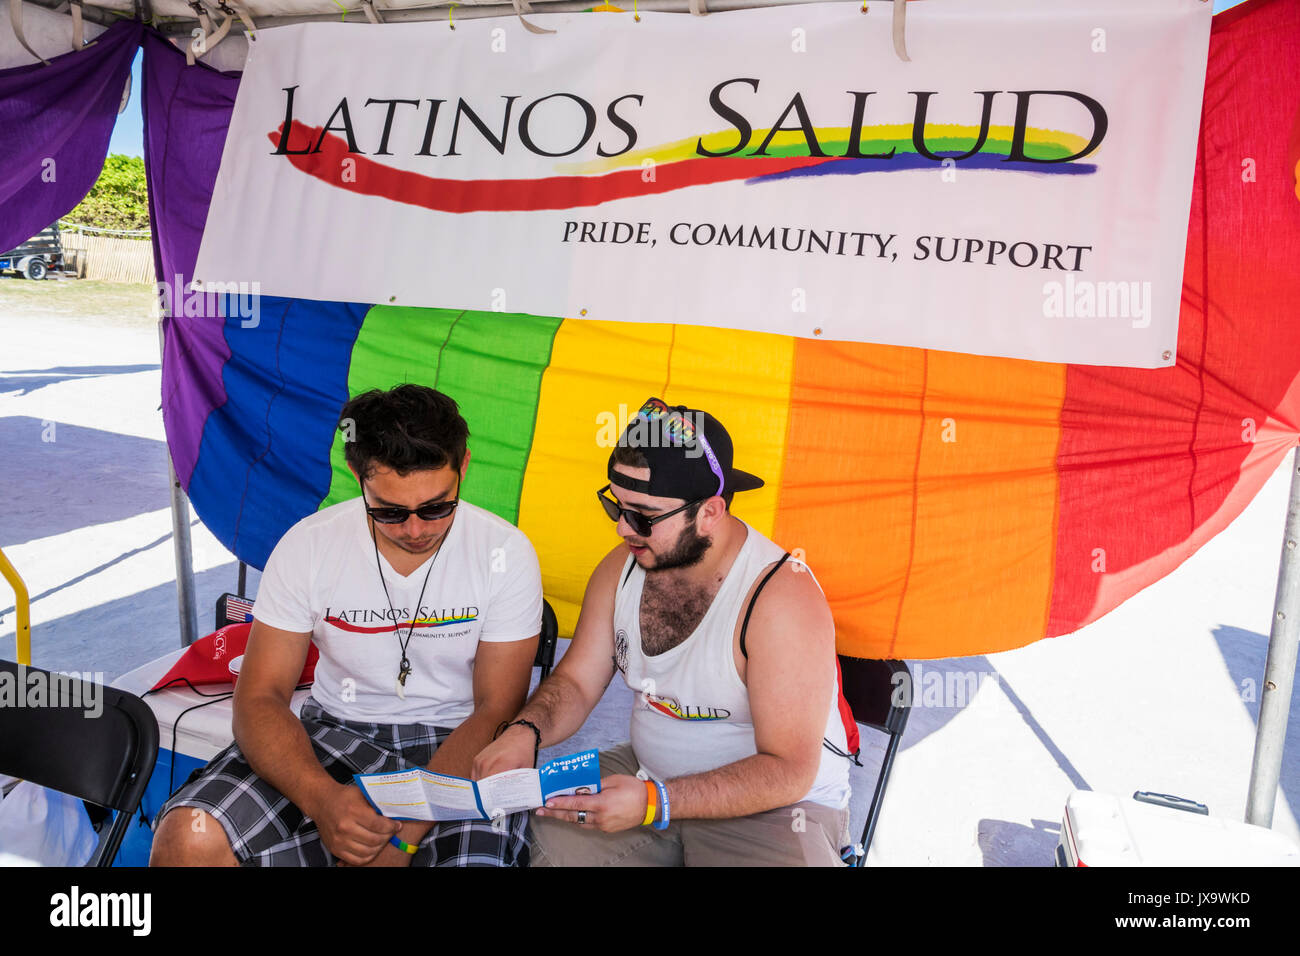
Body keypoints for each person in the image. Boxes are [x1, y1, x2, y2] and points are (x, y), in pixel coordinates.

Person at [150, 385, 542, 867]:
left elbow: (496, 711)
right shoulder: (308, 546)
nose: (416, 530)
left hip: (458, 744)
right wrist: (322, 801)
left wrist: (404, 836)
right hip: (333, 731)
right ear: (357, 475)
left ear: (463, 468)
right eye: (390, 512)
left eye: (437, 507)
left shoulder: (506, 552)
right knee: (188, 840)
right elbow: (258, 698)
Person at [473, 397, 852, 866]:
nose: (622, 530)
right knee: (526, 846)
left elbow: (789, 770)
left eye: (644, 516)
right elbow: (576, 681)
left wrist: (656, 801)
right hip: (645, 775)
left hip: (774, 807)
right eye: (615, 506)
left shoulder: (780, 598)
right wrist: (525, 732)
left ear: (711, 511)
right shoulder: (625, 568)